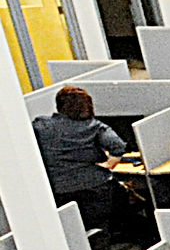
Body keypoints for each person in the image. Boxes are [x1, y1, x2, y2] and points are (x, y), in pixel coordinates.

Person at [31, 84, 126, 232]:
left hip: (58, 190)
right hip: (94, 187)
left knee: (72, 229)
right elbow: (117, 145)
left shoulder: (41, 125)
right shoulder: (94, 126)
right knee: (100, 226)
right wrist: (109, 164)